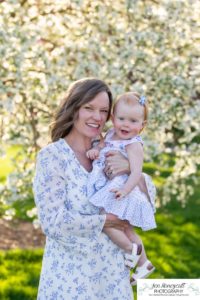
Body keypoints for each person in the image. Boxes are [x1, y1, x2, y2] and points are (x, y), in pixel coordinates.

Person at [33, 78, 135, 300]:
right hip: (69, 281)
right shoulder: (53, 157)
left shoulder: (112, 151)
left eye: (103, 111)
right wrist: (104, 221)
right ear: (73, 108)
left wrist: (132, 169)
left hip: (112, 279)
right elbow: (53, 222)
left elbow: (144, 201)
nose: (97, 117)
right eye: (89, 108)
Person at [86, 92, 157, 285]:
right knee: (126, 227)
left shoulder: (134, 144)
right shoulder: (110, 133)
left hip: (123, 188)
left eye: (133, 121)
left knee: (104, 219)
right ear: (112, 118)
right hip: (114, 185)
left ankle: (130, 250)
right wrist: (96, 150)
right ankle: (144, 264)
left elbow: (135, 172)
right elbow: (102, 144)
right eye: (121, 118)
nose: (126, 124)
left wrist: (124, 191)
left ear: (142, 126)